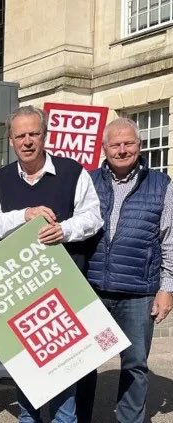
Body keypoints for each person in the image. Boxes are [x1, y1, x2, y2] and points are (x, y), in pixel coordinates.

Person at [0, 105, 103, 423]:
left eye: (34, 133)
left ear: (45, 135)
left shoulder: (73, 171)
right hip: (20, 293)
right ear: (10, 140)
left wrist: (65, 230)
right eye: (20, 135)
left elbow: (93, 218)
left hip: (63, 290)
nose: (27, 141)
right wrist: (25, 215)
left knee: (64, 383)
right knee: (27, 385)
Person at [75, 118, 173, 423]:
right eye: (115, 144)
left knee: (134, 364)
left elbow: (169, 240)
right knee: (82, 362)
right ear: (104, 148)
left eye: (128, 143)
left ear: (139, 146)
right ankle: (79, 418)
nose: (122, 150)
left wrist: (167, 289)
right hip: (90, 288)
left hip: (138, 293)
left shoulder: (161, 185)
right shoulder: (87, 181)